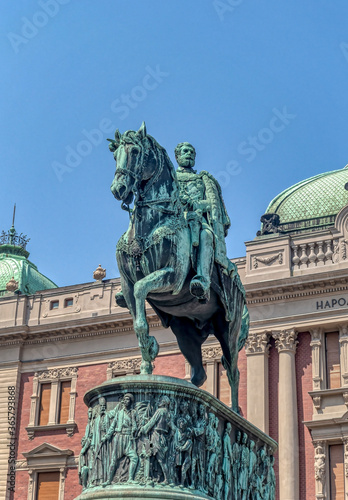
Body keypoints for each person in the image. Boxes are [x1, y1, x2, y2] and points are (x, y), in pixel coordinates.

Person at [175, 142, 234, 301]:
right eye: (185, 151)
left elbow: (213, 204)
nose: (189, 154)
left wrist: (196, 204)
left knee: (207, 235)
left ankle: (202, 278)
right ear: (177, 156)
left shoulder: (202, 179)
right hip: (172, 218)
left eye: (192, 152)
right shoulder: (169, 178)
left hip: (196, 218)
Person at [103, 393, 138, 485]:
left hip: (128, 439)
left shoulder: (133, 413)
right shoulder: (119, 413)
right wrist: (107, 436)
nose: (125, 401)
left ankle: (130, 478)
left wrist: (134, 429)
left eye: (127, 400)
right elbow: (112, 426)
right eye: (124, 399)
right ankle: (109, 480)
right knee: (113, 460)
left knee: (134, 458)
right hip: (119, 438)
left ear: (131, 402)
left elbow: (134, 425)